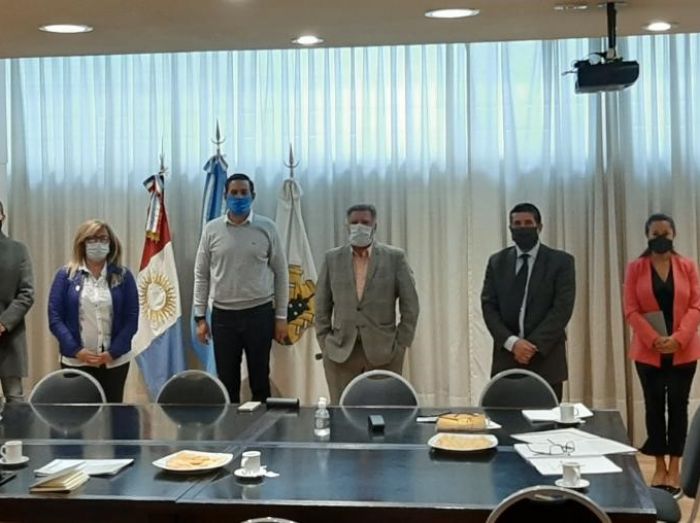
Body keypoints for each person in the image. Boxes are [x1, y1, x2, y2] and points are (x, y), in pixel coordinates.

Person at [194, 173, 288, 403]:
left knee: (260, 381)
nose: (239, 197)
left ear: (252, 196)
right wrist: (200, 318)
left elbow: (281, 274)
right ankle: (230, 427)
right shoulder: (211, 230)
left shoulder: (267, 227)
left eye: (244, 192)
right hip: (223, 316)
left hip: (259, 314)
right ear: (225, 196)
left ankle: (261, 426)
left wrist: (281, 317)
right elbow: (201, 274)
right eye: (234, 193)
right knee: (227, 384)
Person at [623, 213, 700, 497]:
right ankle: (658, 464)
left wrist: (678, 339)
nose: (660, 238)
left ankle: (675, 466)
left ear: (673, 234)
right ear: (647, 236)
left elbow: (696, 305)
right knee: (653, 407)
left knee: (678, 407)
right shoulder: (635, 268)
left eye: (665, 233)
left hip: (683, 350)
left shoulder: (687, 266)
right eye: (655, 234)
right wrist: (654, 339)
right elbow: (631, 309)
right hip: (648, 351)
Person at [316, 204, 420, 404]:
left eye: (365, 222)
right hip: (340, 354)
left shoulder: (395, 258)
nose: (359, 226)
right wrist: (325, 343)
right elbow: (321, 307)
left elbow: (411, 305)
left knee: (384, 412)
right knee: (343, 412)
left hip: (385, 353)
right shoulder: (332, 259)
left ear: (375, 225)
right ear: (347, 226)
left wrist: (401, 344)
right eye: (354, 222)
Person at [481, 202, 575, 401]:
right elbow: (489, 306)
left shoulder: (561, 262)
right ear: (510, 228)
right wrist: (513, 343)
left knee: (547, 419)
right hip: (507, 358)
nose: (522, 228)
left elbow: (562, 309)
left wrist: (531, 346)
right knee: (506, 417)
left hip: (546, 358)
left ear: (539, 227)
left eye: (528, 223)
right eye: (517, 224)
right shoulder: (497, 262)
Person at [48, 219, 138, 402]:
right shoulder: (66, 276)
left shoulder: (123, 276)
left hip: (114, 362)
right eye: (92, 239)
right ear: (82, 243)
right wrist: (76, 350)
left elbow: (132, 318)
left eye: (103, 239)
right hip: (76, 361)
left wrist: (113, 352)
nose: (98, 244)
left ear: (111, 243)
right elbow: (55, 318)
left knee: (112, 414)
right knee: (79, 416)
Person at [0, 200, 35, 402]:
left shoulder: (18, 250)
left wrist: (3, 323)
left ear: (2, 217)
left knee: (16, 404)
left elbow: (27, 293)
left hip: (9, 339)